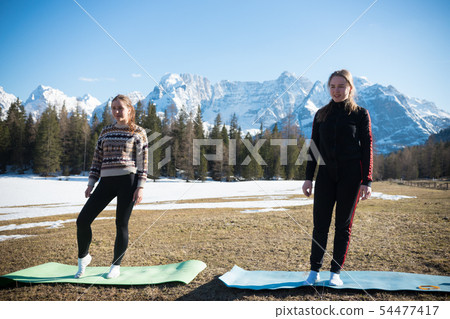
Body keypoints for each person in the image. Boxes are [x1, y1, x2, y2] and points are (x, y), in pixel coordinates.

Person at [302, 69, 373, 286]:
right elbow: (314, 148)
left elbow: (367, 147)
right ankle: (314, 271)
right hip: (325, 176)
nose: (336, 90)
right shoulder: (321, 114)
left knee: (343, 226)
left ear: (350, 88)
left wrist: (366, 180)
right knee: (320, 225)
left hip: (350, 178)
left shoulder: (360, 114)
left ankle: (335, 274)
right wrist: (308, 178)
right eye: (332, 86)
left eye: (341, 86)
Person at [75, 94, 148, 279]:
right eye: (113, 108)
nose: (116, 112)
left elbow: (143, 162)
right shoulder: (105, 131)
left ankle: (116, 266)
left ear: (129, 110)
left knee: (121, 224)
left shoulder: (138, 132)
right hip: (105, 182)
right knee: (82, 220)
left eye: (120, 108)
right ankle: (83, 257)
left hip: (128, 182)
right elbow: (97, 159)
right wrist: (91, 183)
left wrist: (140, 186)